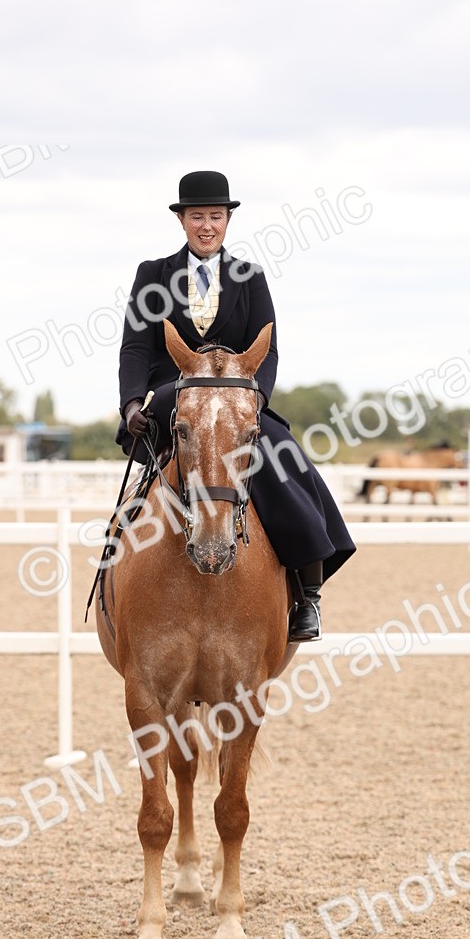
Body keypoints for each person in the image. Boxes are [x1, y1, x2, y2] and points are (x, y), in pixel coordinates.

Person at [115, 170, 355, 641]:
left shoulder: (250, 277)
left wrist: (254, 398)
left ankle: (308, 594)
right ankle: (116, 568)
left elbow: (271, 349)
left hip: (240, 396)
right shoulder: (152, 274)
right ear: (182, 220)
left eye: (216, 216)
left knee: (285, 457)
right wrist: (129, 404)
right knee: (151, 471)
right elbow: (136, 348)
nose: (207, 225)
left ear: (228, 222)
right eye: (198, 216)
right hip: (175, 394)